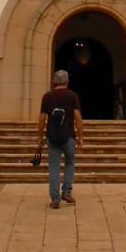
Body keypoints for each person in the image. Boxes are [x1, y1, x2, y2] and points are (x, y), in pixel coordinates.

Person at [38, 69, 84, 209]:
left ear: (54, 82)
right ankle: (67, 192)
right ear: (67, 81)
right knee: (70, 163)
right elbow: (77, 117)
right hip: (68, 136)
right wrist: (81, 136)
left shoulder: (47, 96)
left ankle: (55, 198)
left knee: (53, 167)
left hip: (52, 136)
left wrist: (40, 135)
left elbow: (42, 118)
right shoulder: (72, 96)